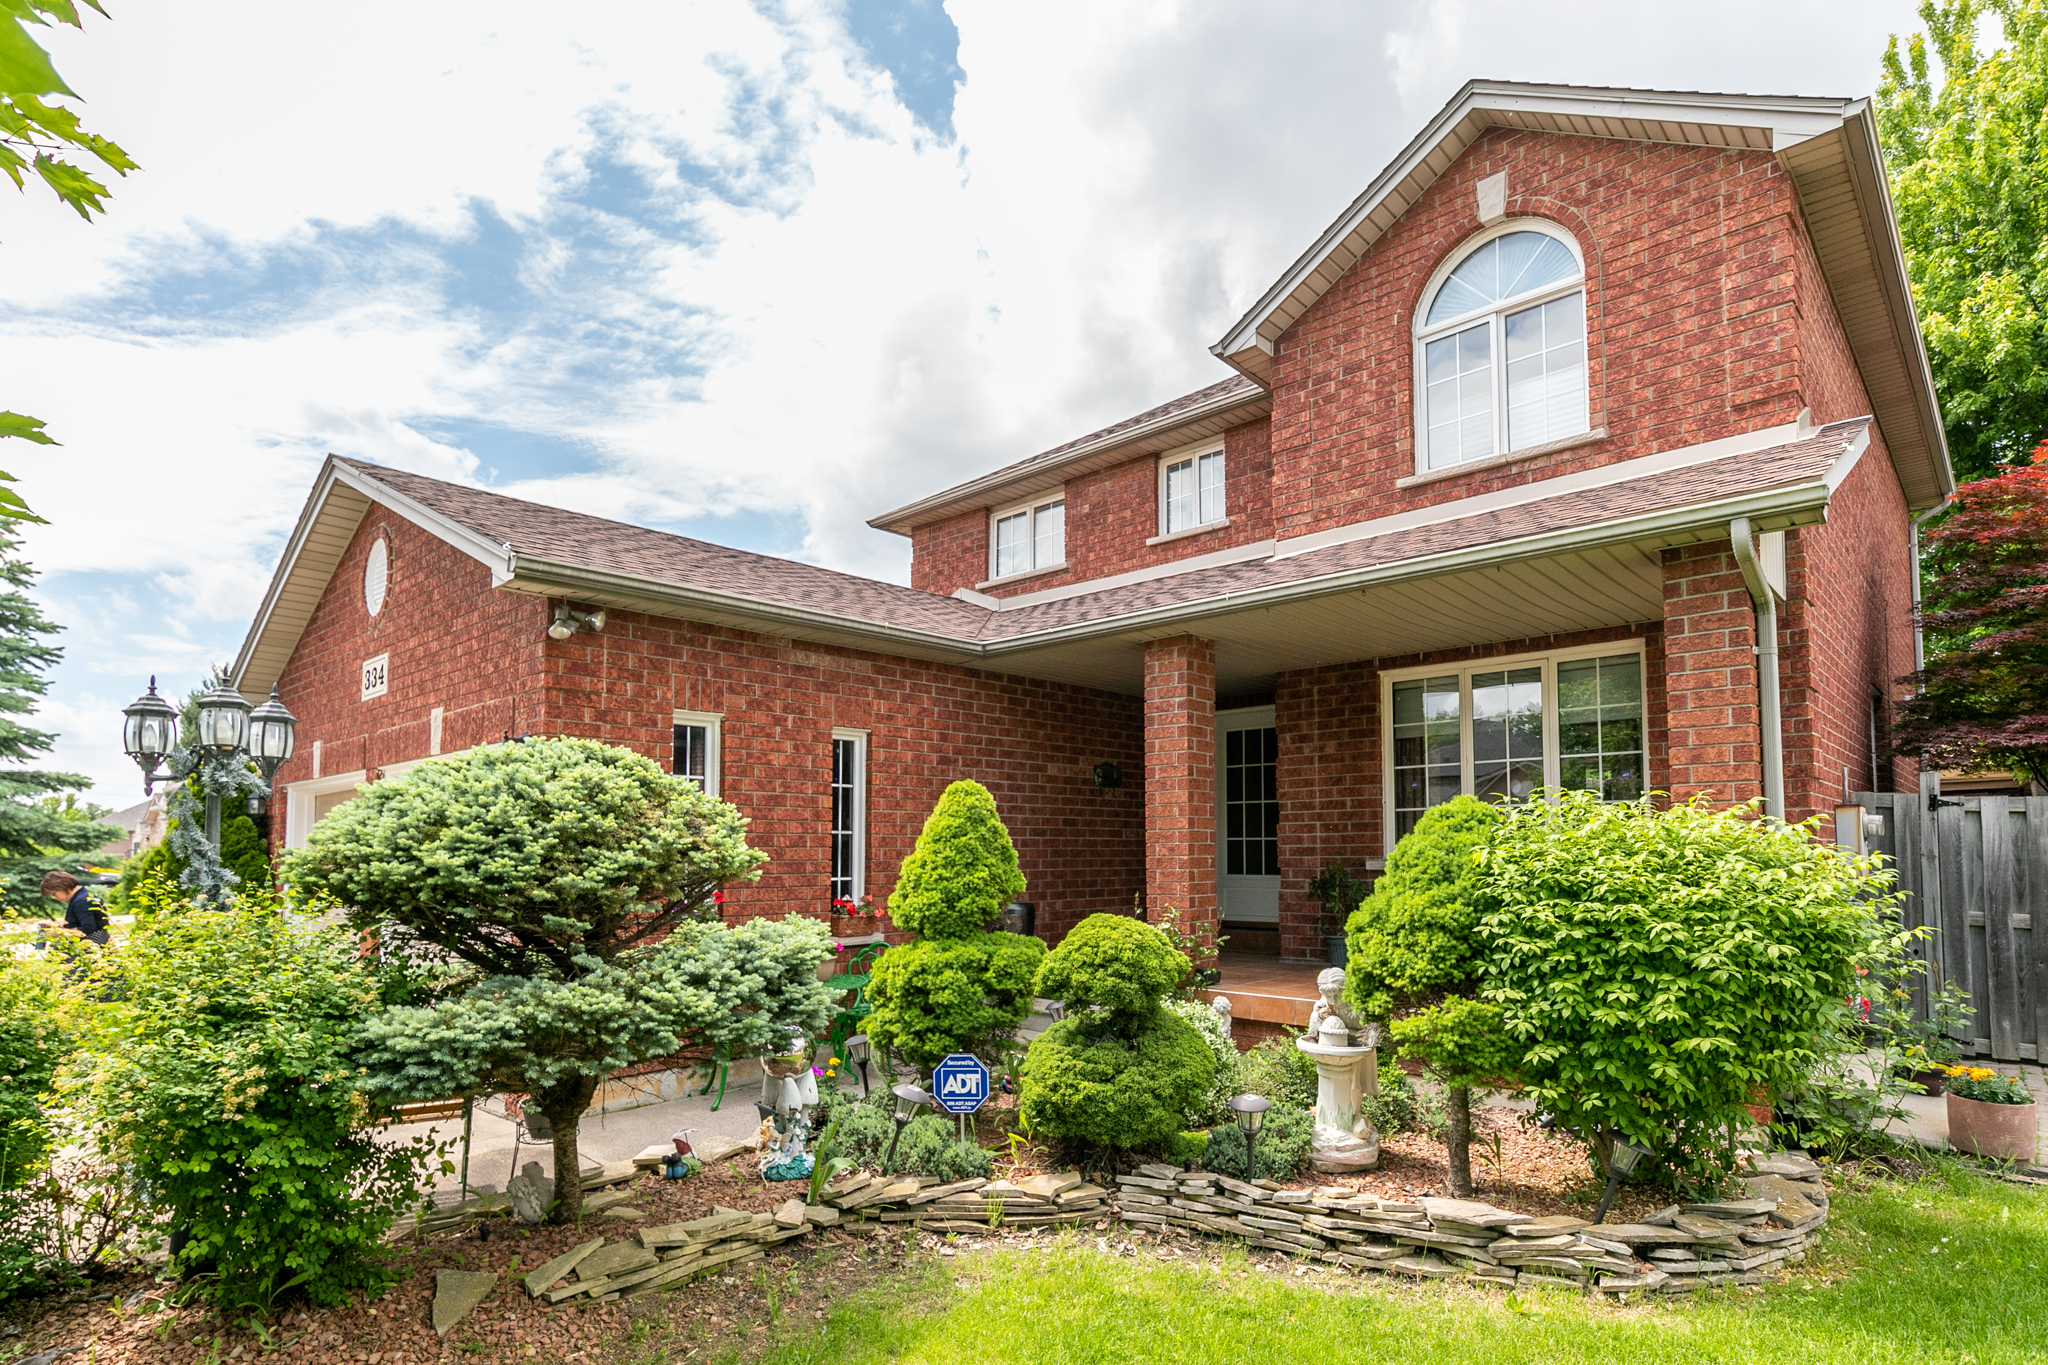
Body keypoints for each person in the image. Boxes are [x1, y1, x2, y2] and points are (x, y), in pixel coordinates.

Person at [40, 870, 110, 946]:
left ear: (62, 886)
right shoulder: (84, 895)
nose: (54, 897)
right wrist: (57, 926)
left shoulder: (81, 901)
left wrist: (61, 932)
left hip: (91, 945)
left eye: (54, 894)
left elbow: (88, 927)